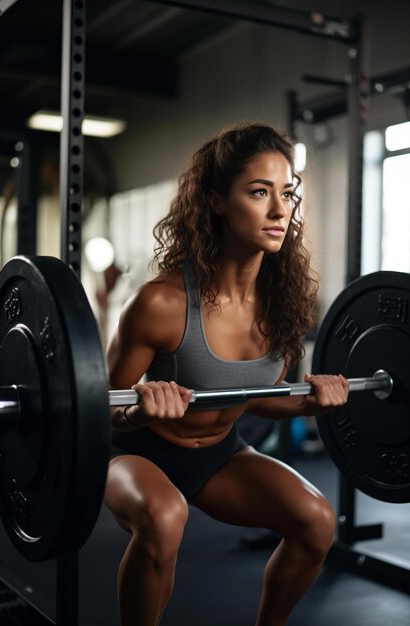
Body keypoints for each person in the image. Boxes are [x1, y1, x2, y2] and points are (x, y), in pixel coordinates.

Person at [104, 122, 349, 626]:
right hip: (132, 452)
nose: (280, 211)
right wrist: (140, 406)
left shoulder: (283, 304)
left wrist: (311, 398)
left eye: (287, 193)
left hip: (217, 455)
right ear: (216, 201)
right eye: (260, 193)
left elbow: (261, 396)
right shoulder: (162, 302)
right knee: (165, 519)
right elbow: (101, 408)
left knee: (317, 521)